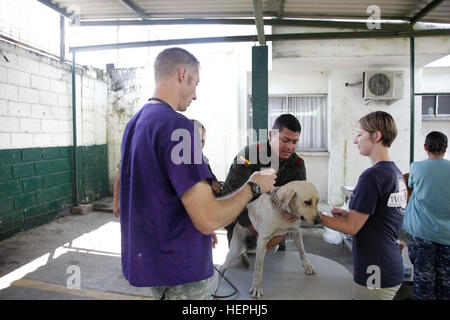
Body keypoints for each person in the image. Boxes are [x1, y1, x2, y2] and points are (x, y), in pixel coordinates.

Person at [119, 47, 276, 300]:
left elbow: (144, 196)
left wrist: (197, 220)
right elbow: (207, 218)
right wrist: (254, 186)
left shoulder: (135, 123)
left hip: (154, 265)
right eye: (196, 84)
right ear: (182, 74)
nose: (195, 95)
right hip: (182, 271)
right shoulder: (179, 126)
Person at [319, 111, 407, 300]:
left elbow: (351, 228)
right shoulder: (394, 172)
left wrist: (312, 215)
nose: (355, 140)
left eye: (359, 134)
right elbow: (381, 217)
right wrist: (347, 214)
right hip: (388, 263)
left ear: (376, 135)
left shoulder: (372, 176)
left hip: (374, 270)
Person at [222, 114, 307, 253]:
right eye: (285, 140)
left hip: (275, 236)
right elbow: (231, 193)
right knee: (239, 272)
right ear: (271, 135)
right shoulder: (250, 155)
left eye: (294, 142)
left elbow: (297, 206)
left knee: (275, 271)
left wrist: (279, 237)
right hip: (242, 231)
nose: (290, 147)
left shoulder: (297, 165)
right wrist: (255, 231)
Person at [402, 131, 450, 300]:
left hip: (422, 233)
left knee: (423, 281)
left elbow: (410, 186)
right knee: (445, 283)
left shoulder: (416, 167)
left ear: (425, 147)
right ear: (445, 147)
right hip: (447, 236)